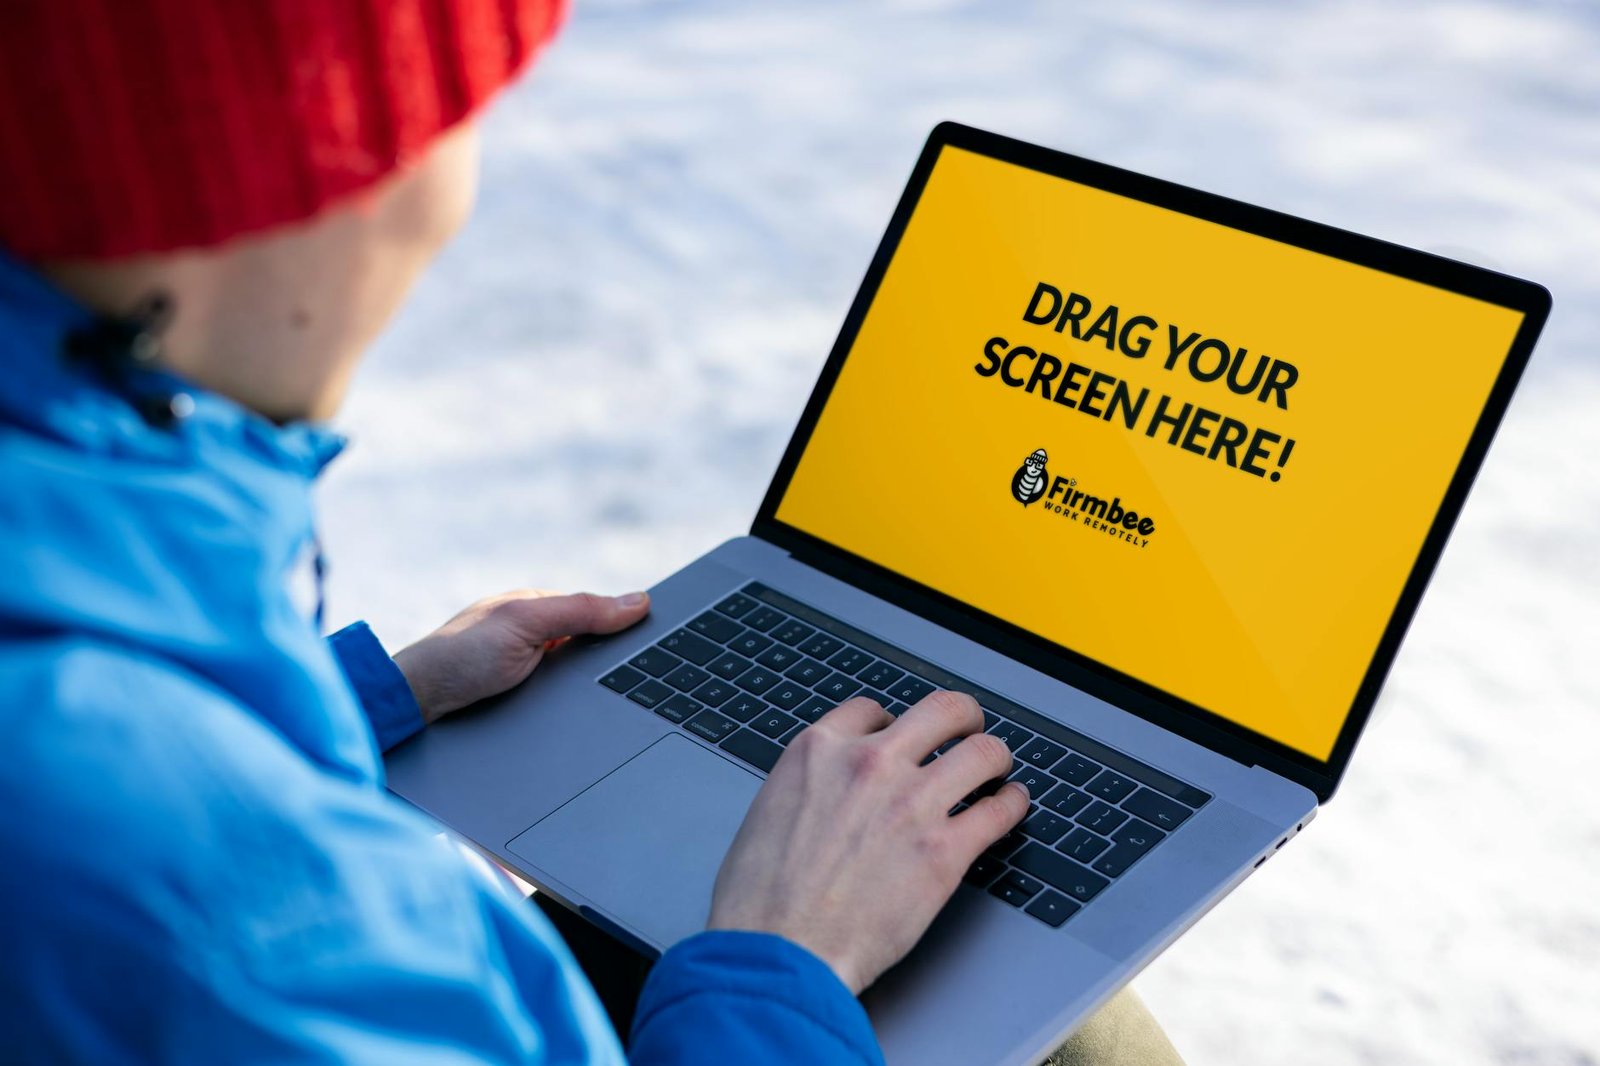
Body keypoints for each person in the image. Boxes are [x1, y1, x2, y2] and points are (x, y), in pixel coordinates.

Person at [0, 1, 1184, 1062]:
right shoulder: (235, 923)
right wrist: (788, 960)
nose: (451, 204)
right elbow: (176, 870)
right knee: (1081, 1032)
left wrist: (363, 700)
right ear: (245, 199)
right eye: (435, 127)